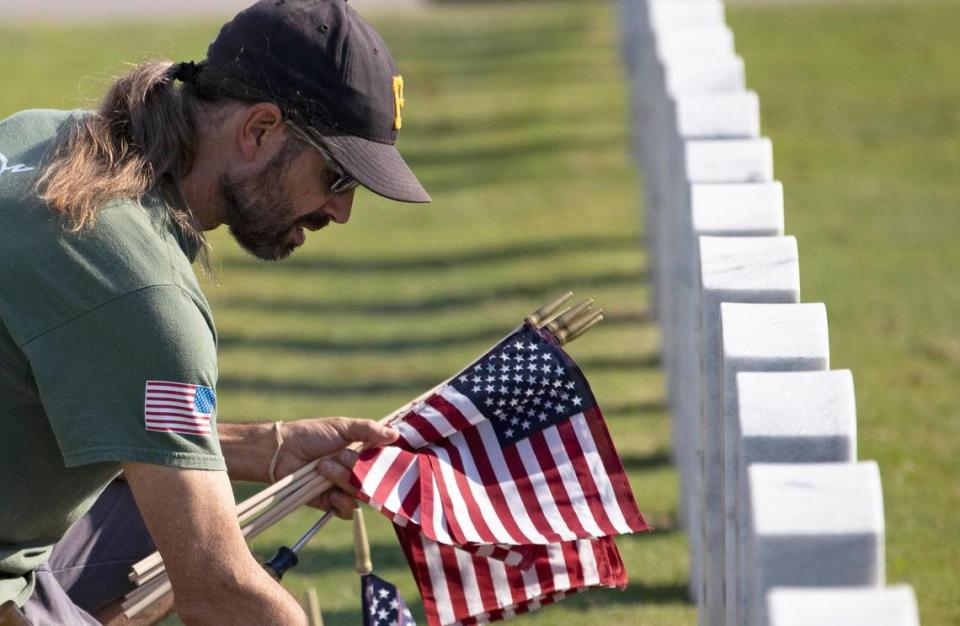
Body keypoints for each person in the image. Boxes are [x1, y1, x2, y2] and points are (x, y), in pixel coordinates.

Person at [0, 0, 430, 624]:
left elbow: (108, 403)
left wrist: (268, 448)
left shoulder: (39, 135)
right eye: (338, 178)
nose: (342, 212)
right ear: (258, 131)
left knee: (180, 510)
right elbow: (217, 590)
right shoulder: (148, 301)